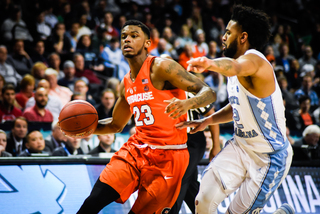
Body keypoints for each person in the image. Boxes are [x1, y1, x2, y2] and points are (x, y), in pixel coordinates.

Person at [77, 20, 215, 214]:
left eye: (134, 36)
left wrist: (188, 103)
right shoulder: (125, 83)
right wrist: (85, 129)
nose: (127, 40)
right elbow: (116, 124)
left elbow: (208, 92)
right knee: (92, 202)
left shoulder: (162, 67)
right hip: (137, 150)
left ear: (147, 43)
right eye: (124, 36)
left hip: (169, 156)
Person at [178, 5, 293, 213]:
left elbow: (236, 67)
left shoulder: (255, 61)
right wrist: (207, 121)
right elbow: (238, 105)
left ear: (243, 37)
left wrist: (208, 62)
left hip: (269, 158)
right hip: (240, 147)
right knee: (202, 201)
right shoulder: (235, 67)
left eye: (228, 32)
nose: (223, 37)